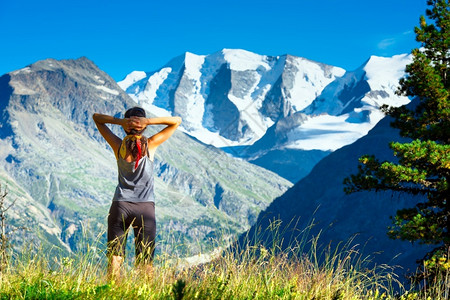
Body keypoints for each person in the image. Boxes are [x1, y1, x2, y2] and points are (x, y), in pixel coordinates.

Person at [92, 107, 181, 280]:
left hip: (120, 205)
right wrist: (148, 121)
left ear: (126, 127)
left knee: (115, 259)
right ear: (144, 127)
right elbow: (176, 121)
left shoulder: (118, 145)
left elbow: (97, 118)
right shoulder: (151, 144)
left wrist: (119, 121)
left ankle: (112, 294)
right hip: (145, 208)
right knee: (145, 262)